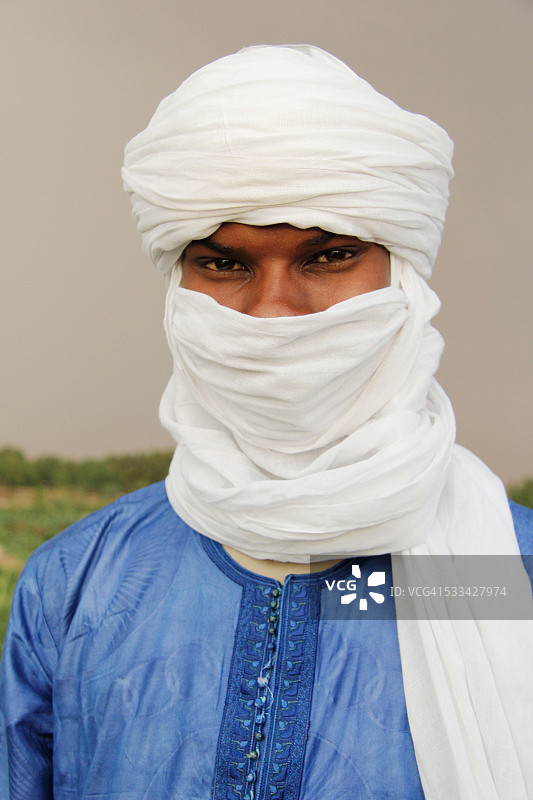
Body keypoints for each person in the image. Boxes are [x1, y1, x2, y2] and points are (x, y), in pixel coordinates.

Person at [1, 44, 532, 800]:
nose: (274, 312)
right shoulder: (78, 582)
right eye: (224, 264)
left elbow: (366, 602)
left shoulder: (504, 576)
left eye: (330, 256)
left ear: (402, 280)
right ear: (178, 286)